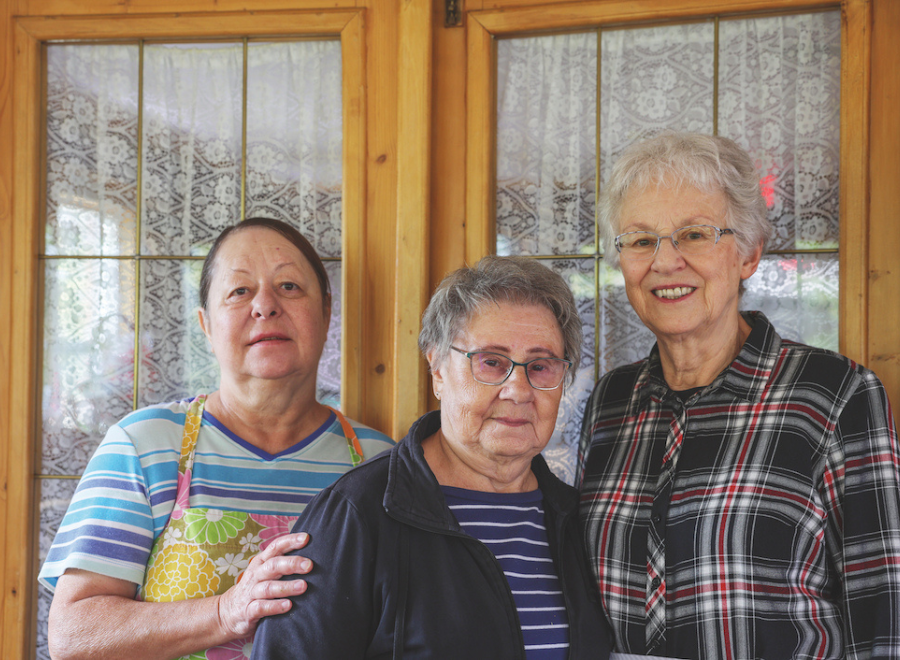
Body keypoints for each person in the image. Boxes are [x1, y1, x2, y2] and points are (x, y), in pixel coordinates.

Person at [578, 132, 900, 659]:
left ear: (749, 253)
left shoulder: (835, 396)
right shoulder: (611, 401)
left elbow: (885, 611)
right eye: (640, 240)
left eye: (695, 234)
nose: (665, 261)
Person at [39, 217, 394, 660]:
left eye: (288, 287)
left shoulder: (382, 464)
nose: (265, 305)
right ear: (206, 325)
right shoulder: (145, 445)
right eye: (239, 291)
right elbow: (74, 635)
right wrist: (227, 612)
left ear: (325, 313)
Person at [252, 255, 612, 659]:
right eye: (491, 362)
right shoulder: (358, 514)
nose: (518, 389)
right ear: (437, 368)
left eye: (541, 366)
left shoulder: (577, 521)